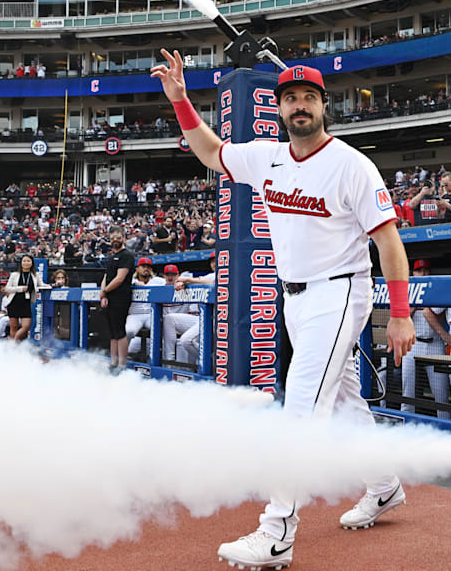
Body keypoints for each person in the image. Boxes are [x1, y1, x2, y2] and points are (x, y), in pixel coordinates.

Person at [151, 53, 415, 569]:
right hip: (294, 296)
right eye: (291, 97)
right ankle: (384, 486)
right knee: (342, 401)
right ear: (278, 107)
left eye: (309, 98)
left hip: (339, 292)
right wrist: (181, 100)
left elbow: (389, 241)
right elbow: (210, 153)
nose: (300, 105)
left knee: (300, 407)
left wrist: (400, 312)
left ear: (323, 106)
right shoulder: (266, 156)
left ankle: (276, 533)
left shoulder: (352, 164)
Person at [400, 259, 451, 420]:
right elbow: (401, 318)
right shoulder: (406, 292)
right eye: (419, 271)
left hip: (434, 344)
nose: (423, 274)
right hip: (413, 345)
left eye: (426, 270)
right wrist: (416, 301)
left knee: (441, 396)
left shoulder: (437, 291)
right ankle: (405, 427)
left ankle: (445, 429)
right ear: (413, 273)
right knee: (407, 394)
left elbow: (434, 313)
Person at [100, 226, 134, 373]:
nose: (115, 240)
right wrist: (103, 293)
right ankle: (113, 362)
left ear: (123, 238)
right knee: (112, 332)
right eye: (112, 237)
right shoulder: (111, 256)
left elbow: (120, 279)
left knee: (120, 331)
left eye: (118, 237)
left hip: (121, 297)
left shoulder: (127, 255)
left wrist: (105, 291)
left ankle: (122, 364)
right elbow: (106, 278)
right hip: (110, 297)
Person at [174, 253, 216, 364]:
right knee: (184, 339)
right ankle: (209, 362)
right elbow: (199, 279)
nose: (214, 263)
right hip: (207, 320)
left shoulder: (231, 272)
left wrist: (188, 279)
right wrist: (182, 282)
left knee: (187, 340)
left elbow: (213, 282)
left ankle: (210, 363)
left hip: (224, 321)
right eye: (212, 261)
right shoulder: (211, 275)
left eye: (217, 260)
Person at [4, 255, 49, 341]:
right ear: (21, 263)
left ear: (32, 263)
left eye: (28, 261)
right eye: (24, 261)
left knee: (26, 326)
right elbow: (7, 288)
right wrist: (20, 288)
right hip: (14, 302)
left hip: (26, 303)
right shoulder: (14, 275)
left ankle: (13, 343)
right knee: (14, 326)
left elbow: (41, 284)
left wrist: (50, 285)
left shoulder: (35, 275)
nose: (26, 263)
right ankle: (16, 347)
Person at [126, 257, 163, 357]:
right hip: (135, 315)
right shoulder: (129, 280)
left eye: (148, 267)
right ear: (137, 269)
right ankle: (122, 356)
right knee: (129, 331)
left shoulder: (158, 281)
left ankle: (158, 359)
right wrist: (134, 283)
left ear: (151, 270)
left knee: (161, 330)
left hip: (150, 314)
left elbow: (171, 282)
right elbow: (120, 281)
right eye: (143, 266)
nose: (146, 269)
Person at [160, 264, 197, 363]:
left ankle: (170, 361)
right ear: (164, 276)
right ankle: (169, 361)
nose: (170, 277)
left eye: (173, 274)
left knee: (184, 362)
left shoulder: (186, 287)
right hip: (167, 332)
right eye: (168, 274)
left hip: (184, 328)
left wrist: (184, 282)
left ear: (178, 275)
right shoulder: (159, 288)